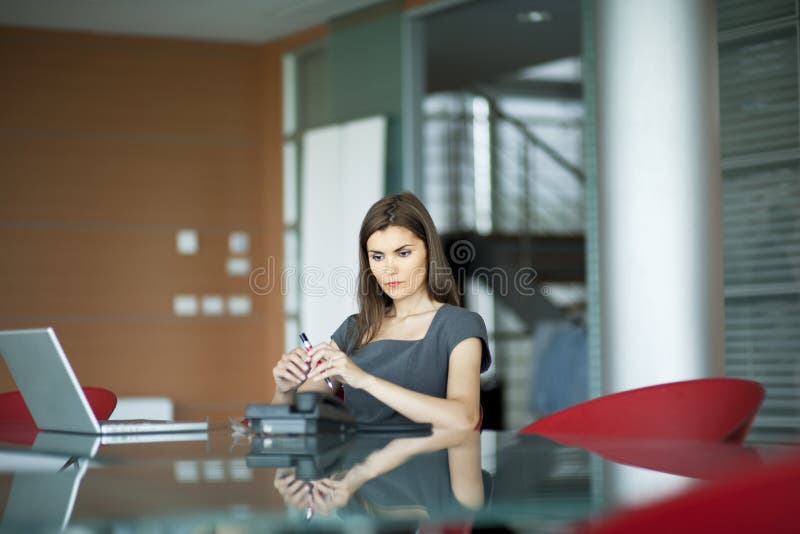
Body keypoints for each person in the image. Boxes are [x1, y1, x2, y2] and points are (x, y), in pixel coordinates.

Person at [271, 192, 492, 430]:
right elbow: (284, 424)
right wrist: (284, 390)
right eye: (377, 257)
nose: (390, 269)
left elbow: (464, 418)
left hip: (428, 465)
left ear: (429, 252)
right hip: (360, 465)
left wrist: (364, 380)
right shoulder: (354, 329)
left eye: (403, 253)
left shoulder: (459, 325)